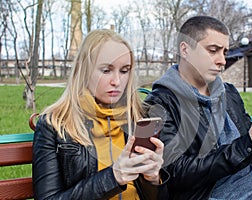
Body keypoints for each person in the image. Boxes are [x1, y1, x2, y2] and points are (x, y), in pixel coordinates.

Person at [144, 16, 252, 200]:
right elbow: (176, 174)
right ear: (185, 49)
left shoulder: (228, 93)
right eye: (213, 50)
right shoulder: (161, 104)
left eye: (224, 52)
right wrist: (246, 144)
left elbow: (251, 156)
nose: (222, 60)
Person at [32, 29, 169, 200]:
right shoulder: (55, 124)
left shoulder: (138, 119)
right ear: (84, 71)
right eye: (106, 70)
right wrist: (113, 177)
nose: (117, 81)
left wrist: (153, 179)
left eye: (124, 70)